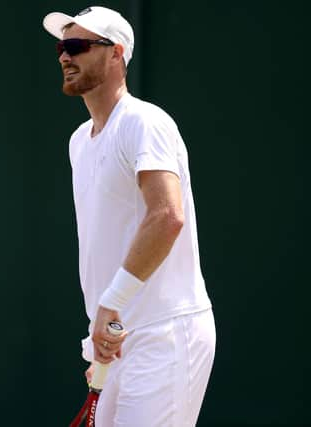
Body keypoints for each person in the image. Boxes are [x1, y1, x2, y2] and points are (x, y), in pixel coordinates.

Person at [42, 6, 215, 426]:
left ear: (116, 53)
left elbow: (167, 215)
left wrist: (112, 305)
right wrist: (100, 336)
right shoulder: (79, 141)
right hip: (117, 341)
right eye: (63, 47)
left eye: (78, 46)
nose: (65, 56)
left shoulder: (145, 122)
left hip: (165, 334)